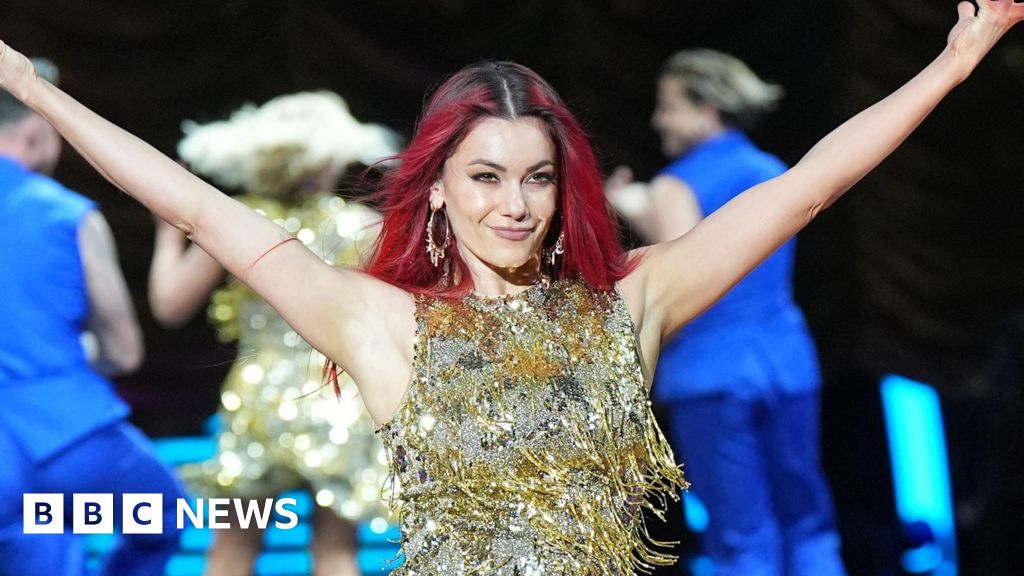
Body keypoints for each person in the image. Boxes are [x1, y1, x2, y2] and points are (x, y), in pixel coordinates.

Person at [0, 2, 1019, 572]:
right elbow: (193, 207)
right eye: (485, 176)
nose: (515, 204)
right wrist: (34, 91)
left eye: (537, 177)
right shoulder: (377, 320)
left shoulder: (631, 300)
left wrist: (951, 63)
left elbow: (808, 189)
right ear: (438, 189)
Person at [607, 49, 845, 575]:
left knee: (742, 538)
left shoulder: (675, 186)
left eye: (668, 107)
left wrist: (638, 213)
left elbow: (682, 281)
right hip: (787, 366)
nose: (658, 120)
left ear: (706, 110)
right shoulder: (774, 171)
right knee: (809, 524)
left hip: (711, 374)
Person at [148, 91, 396, 576]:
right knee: (335, 554)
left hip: (258, 404)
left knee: (230, 554)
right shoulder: (363, 227)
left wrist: (166, 235)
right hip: (337, 398)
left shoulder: (238, 223)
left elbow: (169, 306)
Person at [0, 58, 184, 576]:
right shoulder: (66, 214)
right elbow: (122, 352)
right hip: (68, 434)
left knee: (35, 543)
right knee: (166, 515)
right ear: (36, 131)